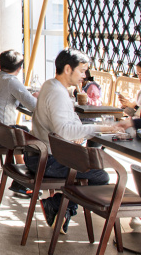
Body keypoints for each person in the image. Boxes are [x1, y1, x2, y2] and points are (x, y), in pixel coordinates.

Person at [29, 49, 112, 233]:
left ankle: (61, 207)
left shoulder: (51, 85)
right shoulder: (58, 93)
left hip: (39, 154)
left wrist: (76, 132)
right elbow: (64, 131)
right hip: (48, 160)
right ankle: (59, 204)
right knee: (100, 176)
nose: (84, 76)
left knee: (88, 168)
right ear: (68, 69)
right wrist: (102, 128)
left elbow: (71, 121)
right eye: (82, 71)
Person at [0, 50, 38, 127]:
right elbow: (34, 106)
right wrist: (37, 96)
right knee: (28, 131)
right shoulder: (11, 81)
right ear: (19, 68)